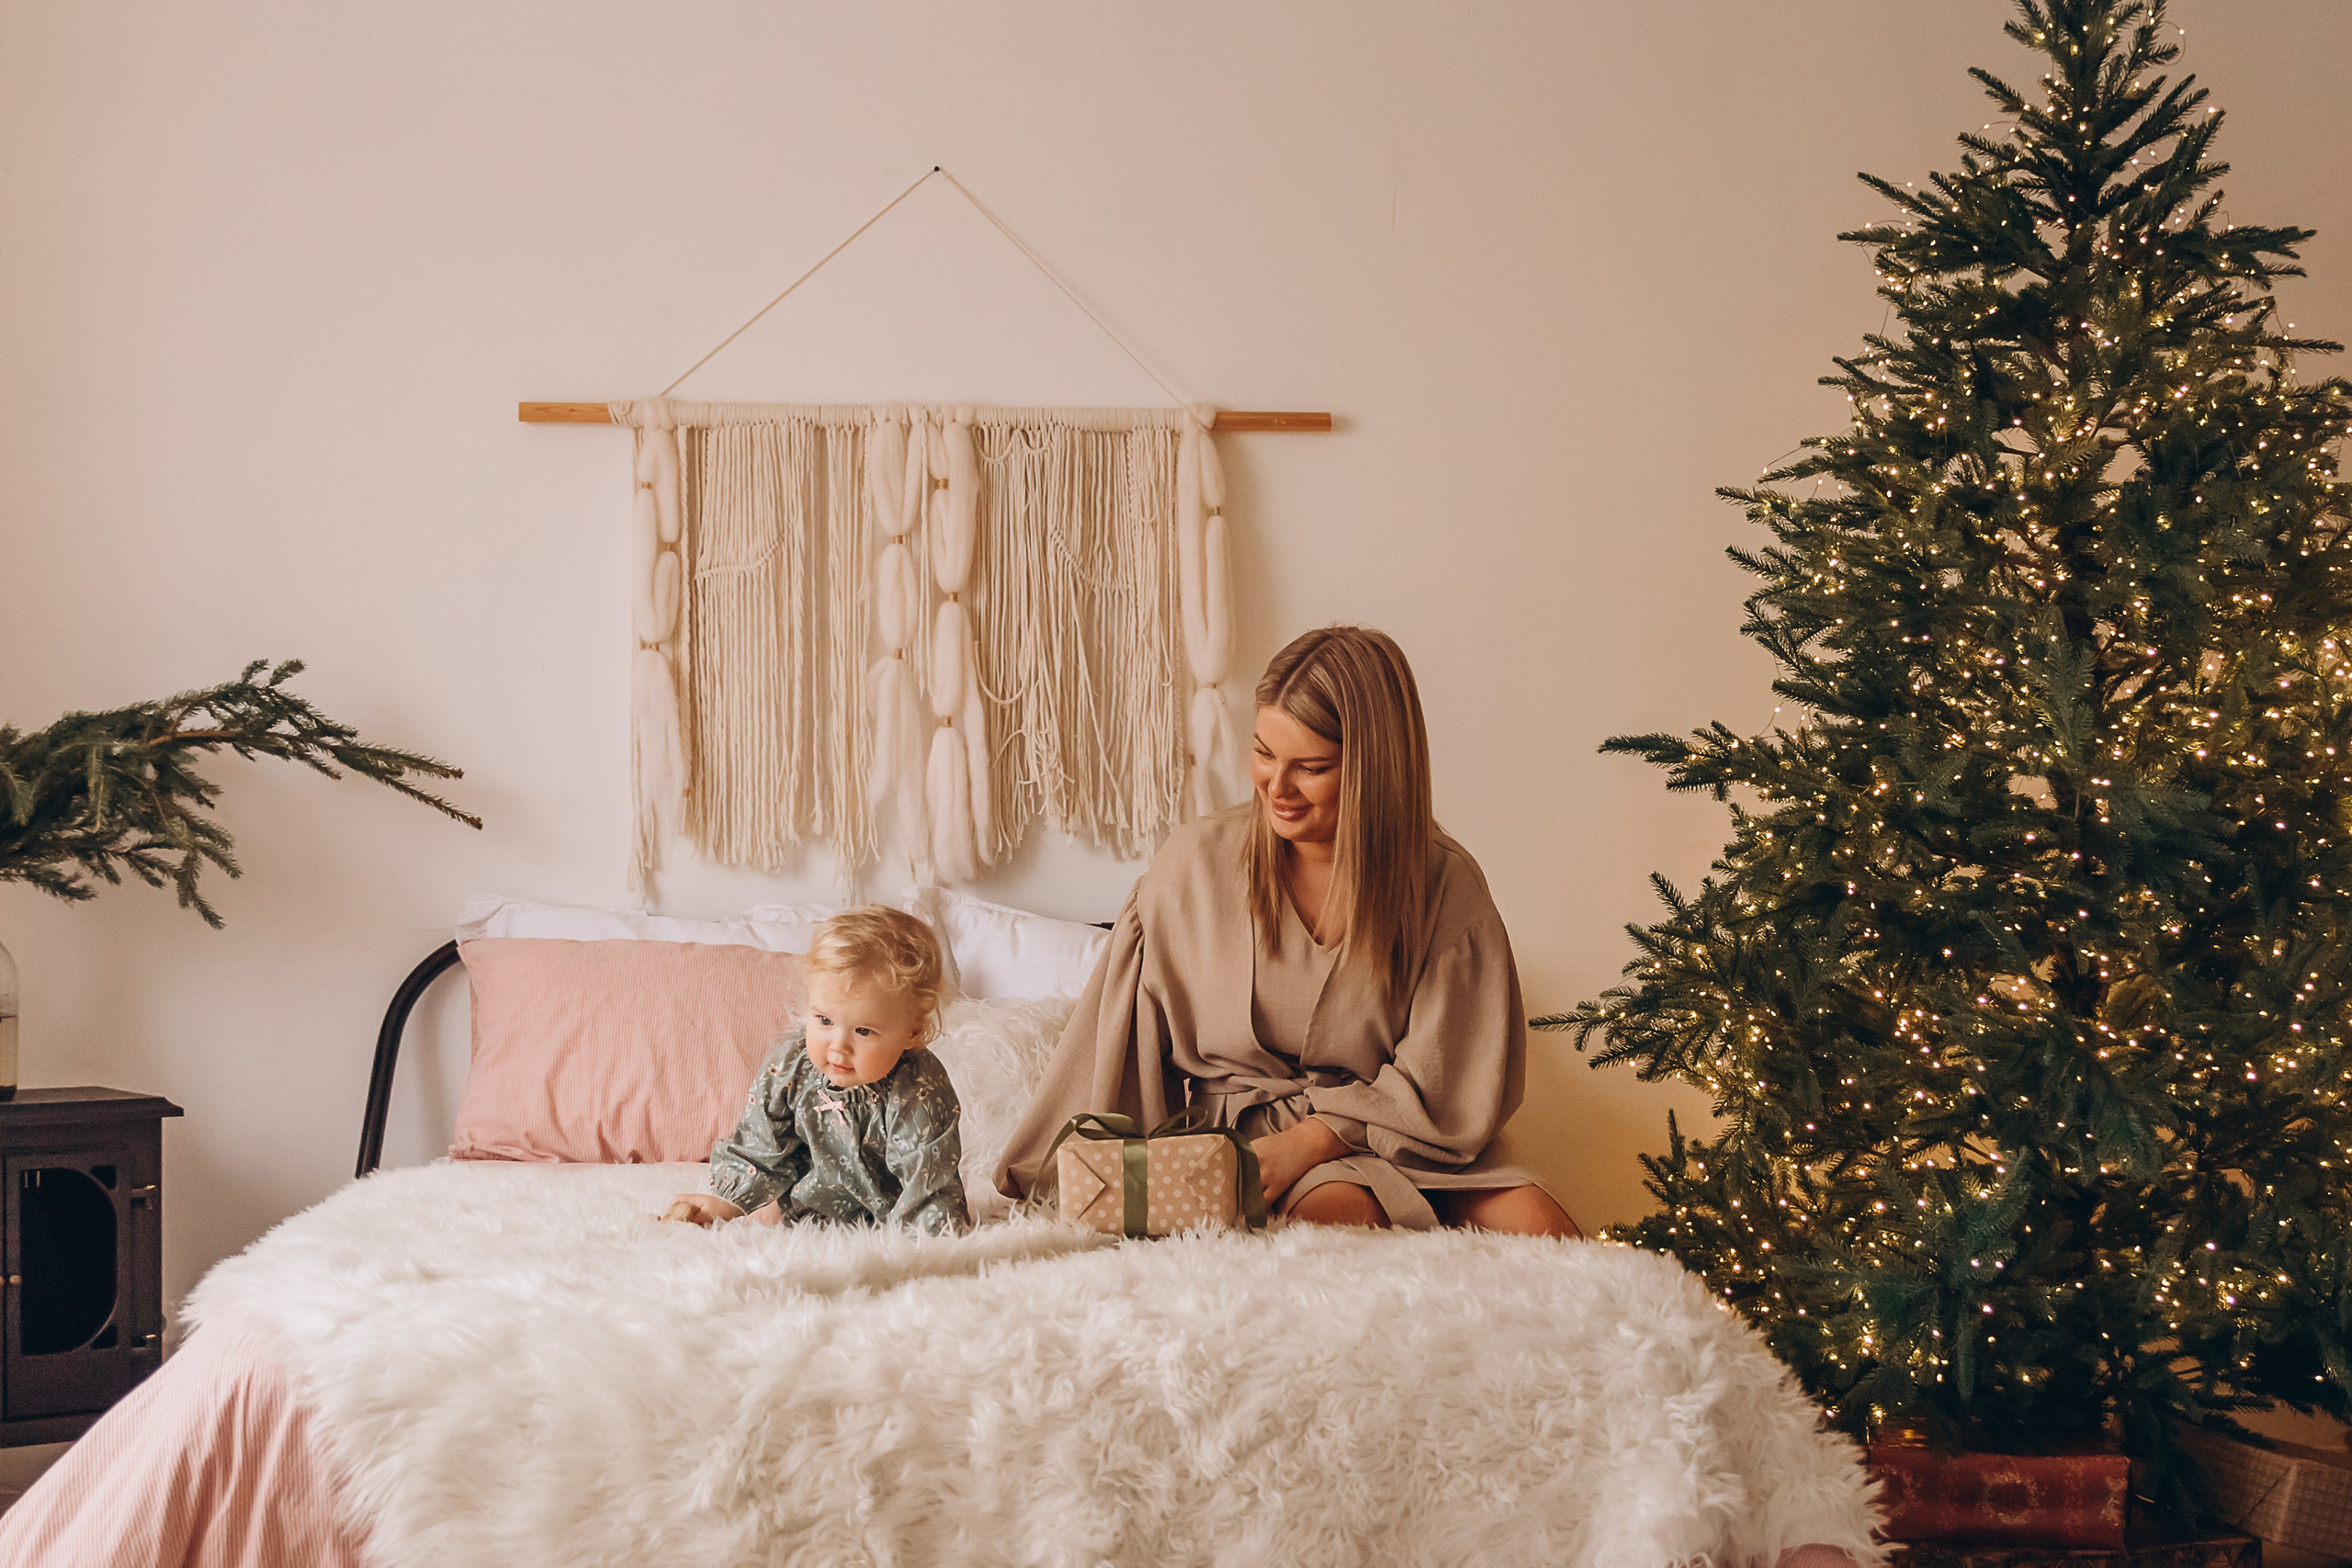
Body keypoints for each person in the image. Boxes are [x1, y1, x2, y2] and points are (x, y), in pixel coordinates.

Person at [995, 625, 1579, 1235]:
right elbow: (1117, 1045)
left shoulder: (1443, 884)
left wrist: (1318, 1137)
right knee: (1342, 1216)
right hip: (1254, 1148)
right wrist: (1077, 1177)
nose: (1276, 786)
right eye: (1264, 753)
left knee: (1546, 1229)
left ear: (1375, 768)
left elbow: (1450, 1073)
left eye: (1312, 767)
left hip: (1409, 1132)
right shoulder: (1192, 869)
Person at [664, 906, 969, 1235]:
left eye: (863, 1031)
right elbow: (761, 1141)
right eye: (824, 1020)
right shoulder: (792, 1065)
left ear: (913, 1032)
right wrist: (729, 1200)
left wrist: (922, 1237)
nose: (839, 1047)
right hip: (801, 1203)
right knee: (766, 1214)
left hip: (886, 1212)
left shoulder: (917, 1088)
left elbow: (927, 1174)